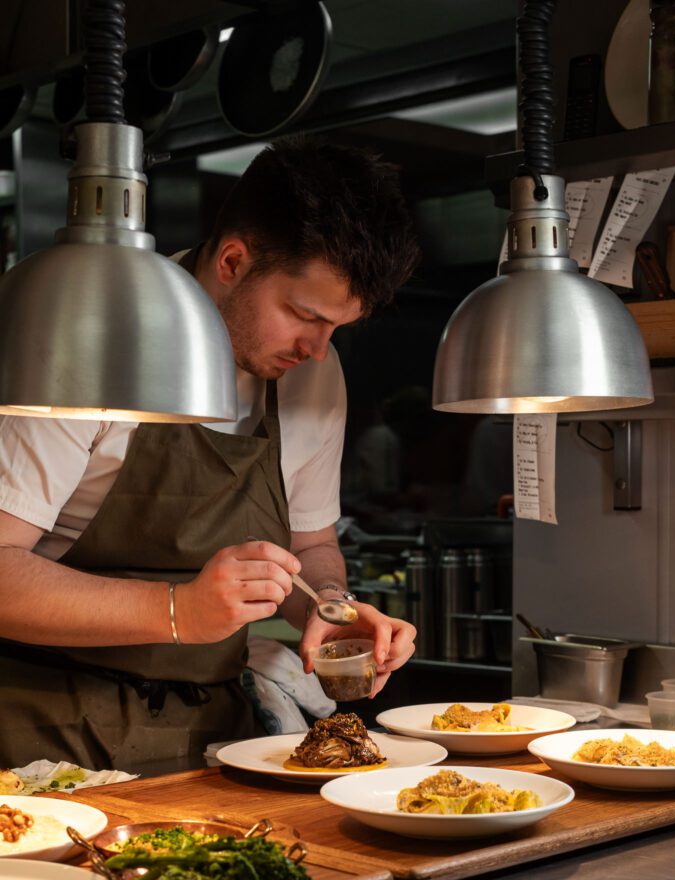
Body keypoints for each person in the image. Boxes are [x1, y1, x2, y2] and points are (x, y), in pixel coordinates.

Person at [0, 135, 421, 770]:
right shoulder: (91, 335)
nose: (316, 348)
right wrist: (176, 612)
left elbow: (309, 546)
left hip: (216, 741)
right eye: (303, 315)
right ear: (231, 261)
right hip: (47, 734)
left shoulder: (314, 373)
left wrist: (328, 606)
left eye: (337, 327)